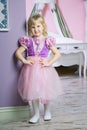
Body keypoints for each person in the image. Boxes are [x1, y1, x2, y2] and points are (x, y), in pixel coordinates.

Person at [15, 13, 63, 123]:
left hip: (44, 69)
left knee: (45, 91)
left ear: (43, 27)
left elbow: (57, 54)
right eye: (33, 27)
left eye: (38, 26)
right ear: (29, 29)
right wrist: (25, 60)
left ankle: (47, 111)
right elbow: (18, 53)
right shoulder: (28, 41)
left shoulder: (48, 40)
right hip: (31, 71)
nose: (36, 29)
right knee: (33, 91)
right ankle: (36, 113)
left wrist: (49, 62)